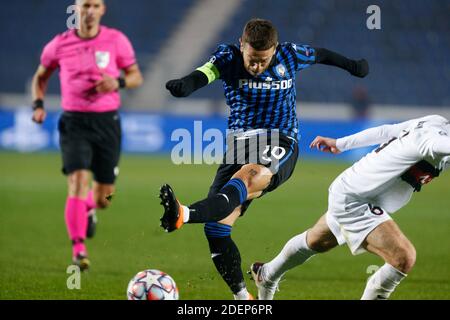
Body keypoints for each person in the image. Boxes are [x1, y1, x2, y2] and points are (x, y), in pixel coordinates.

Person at [160, 18, 369, 300]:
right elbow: (204, 73)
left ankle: (183, 214)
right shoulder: (227, 56)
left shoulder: (290, 54)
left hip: (280, 138)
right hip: (239, 144)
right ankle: (244, 299)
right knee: (217, 228)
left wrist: (353, 66)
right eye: (252, 59)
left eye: (264, 60)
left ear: (275, 50)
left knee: (249, 175)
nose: (257, 67)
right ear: (241, 45)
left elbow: (321, 54)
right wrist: (186, 84)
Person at [250, 115, 450, 300]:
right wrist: (340, 144)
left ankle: (266, 273)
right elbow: (429, 142)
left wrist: (340, 143)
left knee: (318, 241)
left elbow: (387, 131)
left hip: (355, 190)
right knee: (403, 257)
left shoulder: (435, 121)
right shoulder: (432, 140)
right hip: (356, 199)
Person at [31, 0, 143, 270]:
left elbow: (136, 76)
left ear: (102, 9)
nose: (90, 10)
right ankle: (79, 250)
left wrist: (116, 82)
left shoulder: (117, 40)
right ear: (76, 8)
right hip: (74, 122)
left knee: (106, 197)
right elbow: (41, 76)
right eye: (85, 5)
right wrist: (38, 104)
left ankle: (90, 207)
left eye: (95, 5)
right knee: (78, 181)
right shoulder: (58, 44)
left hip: (108, 123)